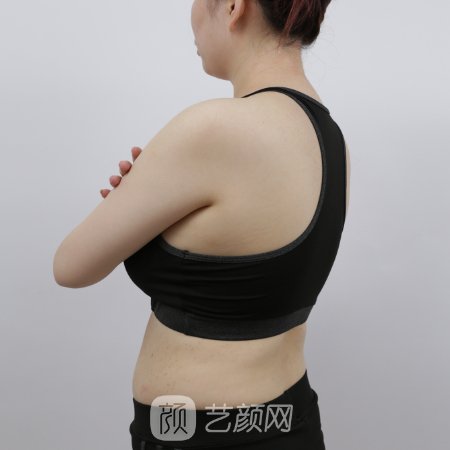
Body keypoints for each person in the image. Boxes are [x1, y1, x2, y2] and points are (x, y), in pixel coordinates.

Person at [54, 1, 350, 448]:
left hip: (201, 436)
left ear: (233, 6)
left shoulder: (212, 129)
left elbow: (70, 268)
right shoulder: (331, 141)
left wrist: (131, 204)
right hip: (292, 422)